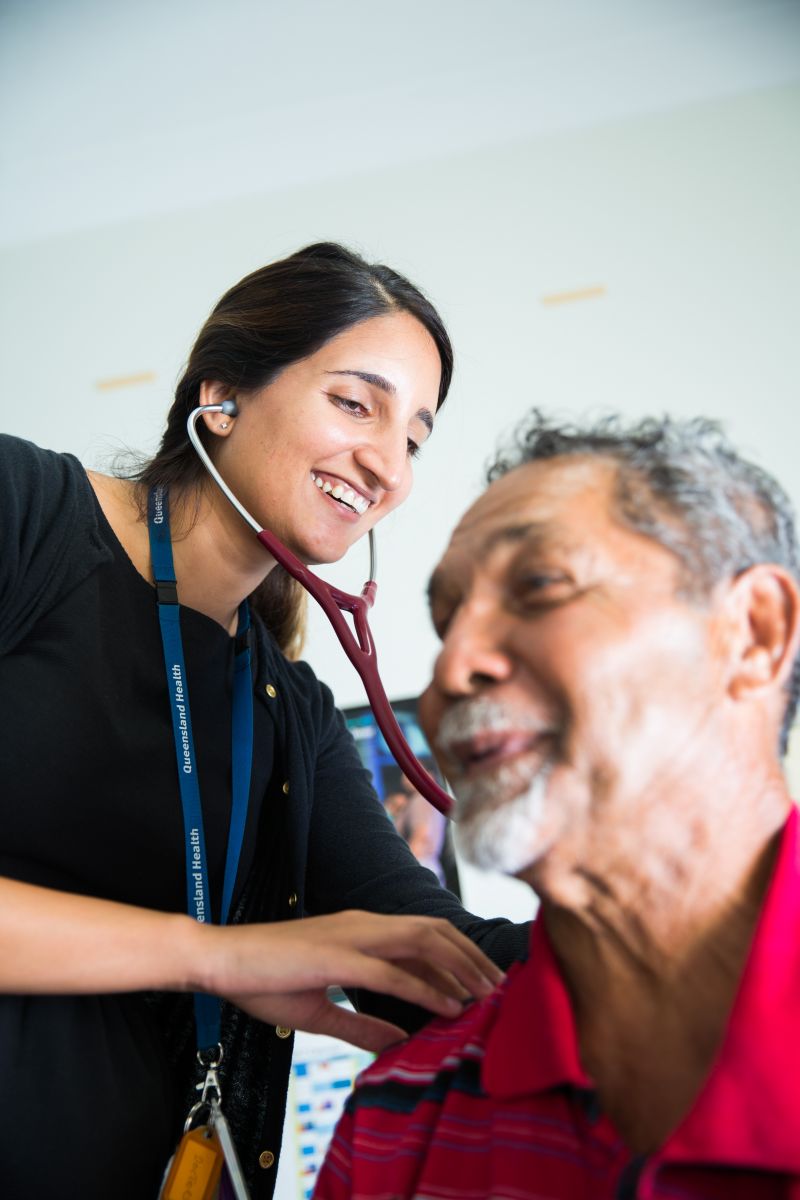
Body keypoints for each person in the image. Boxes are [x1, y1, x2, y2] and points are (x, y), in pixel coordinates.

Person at [0, 242, 529, 1199]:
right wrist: (213, 957)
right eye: (354, 403)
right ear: (223, 393)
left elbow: (424, 950)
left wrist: (678, 915)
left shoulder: (290, 714)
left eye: (414, 436)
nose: (386, 465)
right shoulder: (24, 515)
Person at [315, 411, 800, 1200]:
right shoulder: (398, 1120)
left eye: (540, 587)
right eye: (446, 622)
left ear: (751, 634)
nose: (453, 670)